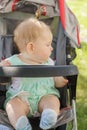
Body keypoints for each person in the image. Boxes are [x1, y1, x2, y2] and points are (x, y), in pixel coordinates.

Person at [0, 18, 68, 130]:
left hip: (45, 96)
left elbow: (56, 79)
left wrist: (60, 81)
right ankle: (20, 124)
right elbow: (2, 77)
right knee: (12, 105)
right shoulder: (12, 62)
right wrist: (2, 67)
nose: (51, 48)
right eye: (48, 45)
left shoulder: (50, 63)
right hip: (20, 98)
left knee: (53, 100)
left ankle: (49, 116)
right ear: (31, 47)